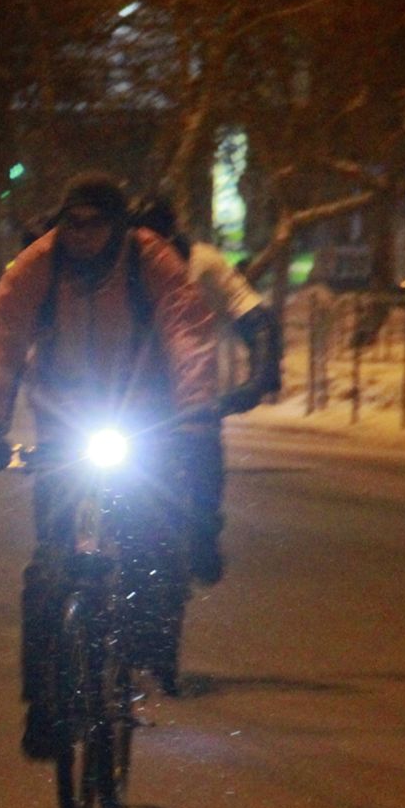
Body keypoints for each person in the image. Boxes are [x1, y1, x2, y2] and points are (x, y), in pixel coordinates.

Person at [0, 171, 216, 756]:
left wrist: (195, 411)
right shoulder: (39, 265)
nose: (83, 236)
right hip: (64, 426)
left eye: (96, 224)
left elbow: (187, 332)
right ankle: (45, 701)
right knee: (49, 568)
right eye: (73, 223)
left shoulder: (151, 261)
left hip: (142, 419)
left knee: (154, 543)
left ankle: (143, 655)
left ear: (120, 226)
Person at [129, 192, 284, 584]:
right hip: (123, 393)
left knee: (200, 445)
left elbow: (253, 316)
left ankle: (202, 532)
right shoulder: (116, 264)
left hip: (188, 390)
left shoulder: (204, 264)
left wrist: (260, 374)